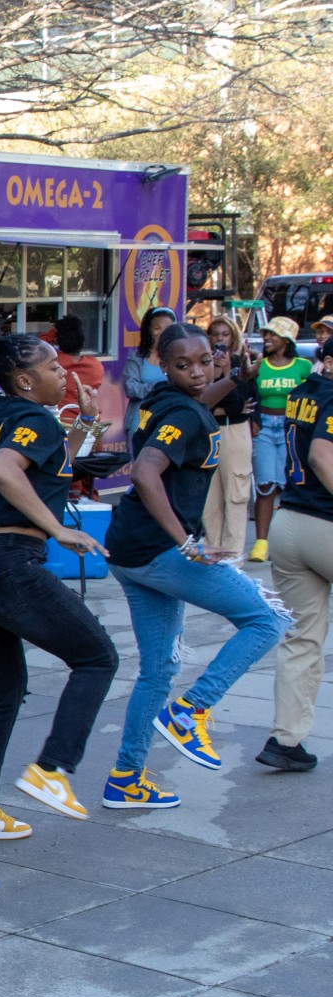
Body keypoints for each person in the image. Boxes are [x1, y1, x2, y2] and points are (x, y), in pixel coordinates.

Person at [0, 317, 117, 835]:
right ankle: (52, 769)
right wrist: (58, 529)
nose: (64, 373)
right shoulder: (33, 420)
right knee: (97, 656)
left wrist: (84, 425)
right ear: (23, 379)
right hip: (6, 560)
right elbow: (4, 472)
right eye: (51, 366)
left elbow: (53, 469)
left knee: (2, 692)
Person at [102, 323, 288, 807]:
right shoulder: (181, 412)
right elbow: (144, 472)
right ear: (163, 365)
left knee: (158, 669)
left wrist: (237, 381)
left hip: (129, 551)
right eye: (184, 365)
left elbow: (195, 407)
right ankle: (191, 712)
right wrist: (187, 544)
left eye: (206, 360)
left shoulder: (167, 402)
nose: (198, 372)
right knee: (267, 619)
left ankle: (126, 778)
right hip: (159, 552)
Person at [262, 364, 333, 772]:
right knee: (304, 636)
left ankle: (285, 739)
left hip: (289, 524)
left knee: (302, 637)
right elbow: (322, 454)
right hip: (326, 523)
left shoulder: (304, 391)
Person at [248, 318, 313, 562]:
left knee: (289, 486)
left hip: (292, 428)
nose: (267, 338)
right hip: (264, 427)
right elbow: (251, 394)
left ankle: (287, 543)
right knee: (266, 485)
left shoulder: (303, 366)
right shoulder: (259, 365)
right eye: (266, 334)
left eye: (273, 335)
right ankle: (261, 544)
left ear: (287, 341)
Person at [201, 319, 256, 558]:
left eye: (225, 334)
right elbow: (201, 404)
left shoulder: (242, 365)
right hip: (209, 431)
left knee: (235, 492)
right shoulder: (201, 367)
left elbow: (238, 408)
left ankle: (233, 557)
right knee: (210, 496)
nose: (220, 339)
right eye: (214, 334)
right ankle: (213, 550)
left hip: (234, 432)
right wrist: (214, 374)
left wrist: (226, 374)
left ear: (233, 338)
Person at [123, 306, 177, 437]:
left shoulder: (178, 357)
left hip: (171, 416)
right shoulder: (137, 357)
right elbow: (130, 388)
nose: (162, 333)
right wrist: (160, 387)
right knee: (140, 455)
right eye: (157, 328)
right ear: (149, 330)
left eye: (167, 328)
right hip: (141, 417)